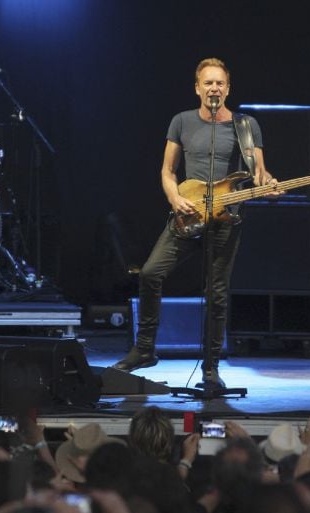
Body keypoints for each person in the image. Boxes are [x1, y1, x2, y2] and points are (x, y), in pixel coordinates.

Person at [112, 57, 276, 386]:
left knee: (216, 293)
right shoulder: (182, 121)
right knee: (150, 273)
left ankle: (211, 368)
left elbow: (259, 173)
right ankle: (144, 349)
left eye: (220, 83)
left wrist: (269, 184)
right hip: (188, 212)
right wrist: (174, 198)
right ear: (197, 87)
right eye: (208, 82)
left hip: (226, 217)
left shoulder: (246, 126)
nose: (214, 88)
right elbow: (167, 171)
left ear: (228, 88)